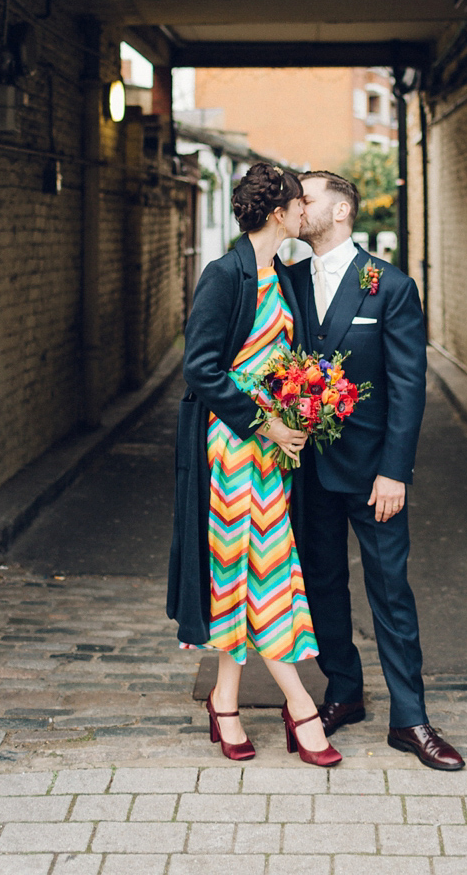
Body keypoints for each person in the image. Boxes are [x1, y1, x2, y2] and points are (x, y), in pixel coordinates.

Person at [288, 170, 465, 772]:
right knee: (322, 584)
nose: (296, 207)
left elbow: (408, 387)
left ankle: (410, 719)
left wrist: (395, 472)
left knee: (390, 590)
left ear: (340, 211)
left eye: (305, 199)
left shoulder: (387, 286)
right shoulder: (283, 280)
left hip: (373, 476)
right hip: (305, 469)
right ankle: (343, 690)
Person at [167, 162, 341, 767]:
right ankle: (300, 707)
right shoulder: (225, 275)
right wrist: (265, 420)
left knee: (243, 573)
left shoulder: (282, 276)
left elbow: (291, 359)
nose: (303, 214)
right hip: (231, 447)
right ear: (277, 213)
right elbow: (200, 366)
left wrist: (299, 413)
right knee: (268, 572)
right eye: (298, 206)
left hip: (271, 451)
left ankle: (225, 699)